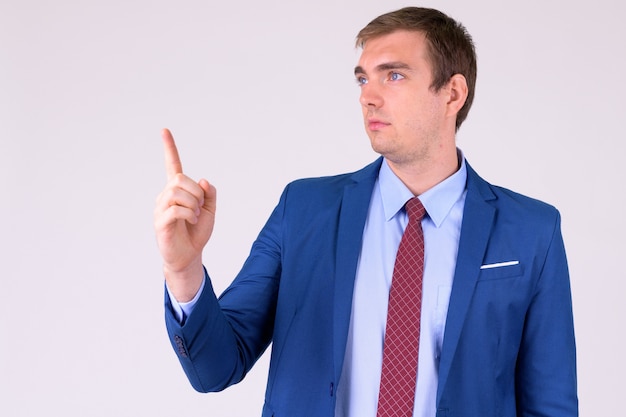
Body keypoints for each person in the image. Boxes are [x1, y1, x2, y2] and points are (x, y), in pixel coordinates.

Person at [154, 6, 578, 417]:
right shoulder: (303, 210)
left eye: (393, 75)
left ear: (453, 93)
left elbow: (551, 403)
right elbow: (216, 367)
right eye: (362, 79)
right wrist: (184, 270)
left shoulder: (532, 230)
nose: (368, 98)